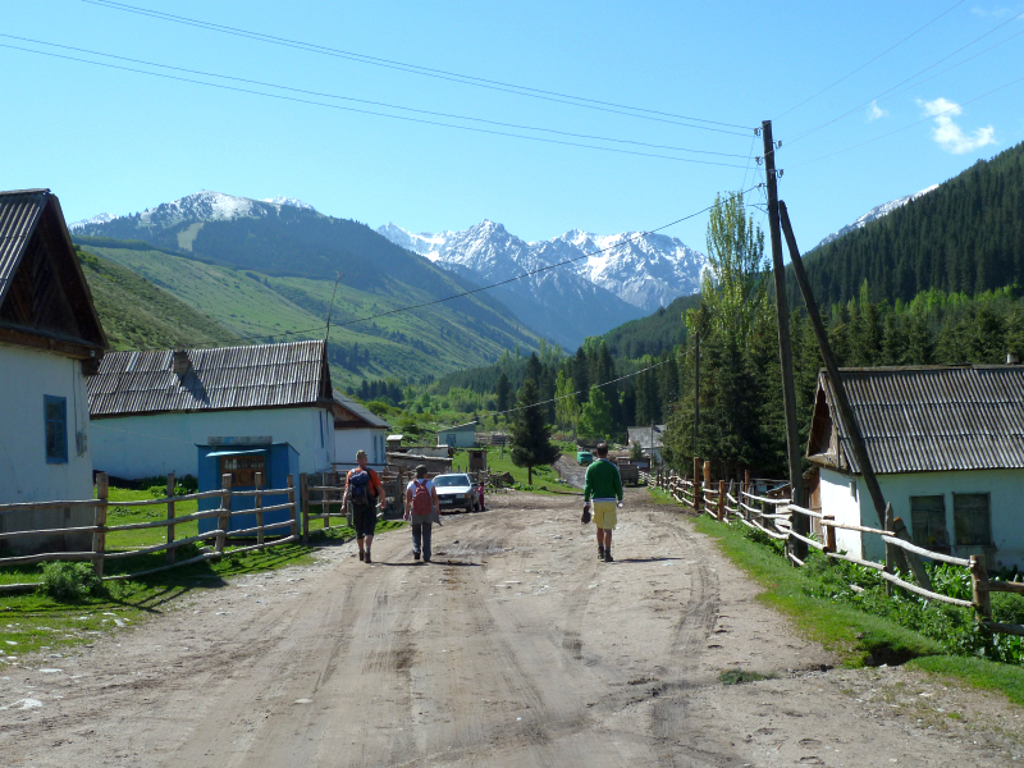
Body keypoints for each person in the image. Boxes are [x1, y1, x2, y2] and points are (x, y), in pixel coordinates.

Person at [583, 442, 624, 562]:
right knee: (608, 528)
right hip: (610, 500)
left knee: (599, 526)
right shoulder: (613, 468)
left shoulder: (591, 468)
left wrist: (586, 501)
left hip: (597, 500)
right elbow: (618, 484)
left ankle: (600, 549)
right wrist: (620, 499)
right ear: (607, 453)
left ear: (597, 453)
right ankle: (607, 552)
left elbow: (588, 486)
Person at [343, 450, 384, 563]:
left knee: (359, 529)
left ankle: (360, 551)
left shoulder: (351, 473)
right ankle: (368, 551)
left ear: (357, 460)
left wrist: (343, 504)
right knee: (369, 530)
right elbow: (380, 489)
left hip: (356, 505)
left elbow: (347, 491)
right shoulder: (371, 472)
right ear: (365, 459)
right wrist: (383, 500)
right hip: (369, 504)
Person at [405, 465, 440, 563]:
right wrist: (437, 510)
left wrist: (406, 512)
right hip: (428, 511)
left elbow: (407, 501)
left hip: (415, 511)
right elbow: (435, 498)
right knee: (427, 533)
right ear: (425, 474)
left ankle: (416, 549)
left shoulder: (410, 485)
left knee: (415, 532)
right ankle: (427, 555)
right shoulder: (430, 484)